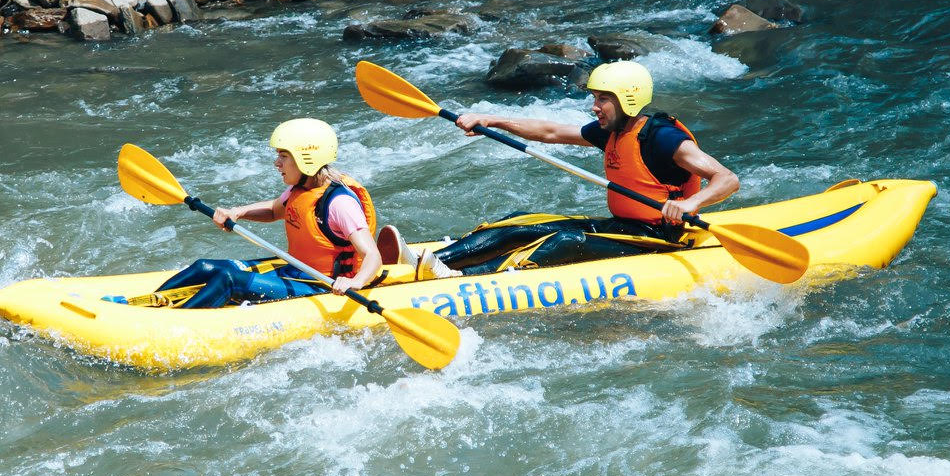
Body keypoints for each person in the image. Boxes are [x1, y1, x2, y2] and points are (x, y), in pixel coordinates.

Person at [430, 60, 740, 273]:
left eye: (603, 99)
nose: (594, 106)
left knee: (566, 241)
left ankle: (466, 278)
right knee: (520, 225)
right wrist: (493, 119)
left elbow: (726, 179)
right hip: (621, 228)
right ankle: (432, 261)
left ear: (627, 100)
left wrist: (691, 203)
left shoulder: (662, 137)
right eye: (594, 97)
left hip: (656, 239)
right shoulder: (612, 131)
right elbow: (551, 132)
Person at [152, 118, 391, 309]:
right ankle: (149, 304)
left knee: (229, 279)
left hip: (320, 283)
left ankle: (169, 327)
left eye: (284, 156)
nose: (277, 163)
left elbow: (372, 255)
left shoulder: (339, 203)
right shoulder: (301, 189)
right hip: (295, 270)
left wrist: (354, 282)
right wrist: (237, 212)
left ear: (306, 160)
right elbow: (275, 210)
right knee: (204, 266)